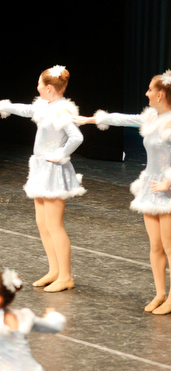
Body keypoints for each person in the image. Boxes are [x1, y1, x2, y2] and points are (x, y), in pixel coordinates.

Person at [73, 69, 171, 314]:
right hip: (150, 187)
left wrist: (169, 183)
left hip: (167, 189)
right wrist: (91, 120)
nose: (146, 93)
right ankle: (160, 293)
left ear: (160, 94)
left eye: (150, 89)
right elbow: (122, 118)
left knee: (170, 247)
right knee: (155, 245)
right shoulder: (151, 118)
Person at [0, 66, 84, 292]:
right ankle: (54, 270)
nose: (37, 87)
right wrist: (2, 106)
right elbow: (27, 109)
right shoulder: (46, 106)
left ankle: (66, 276)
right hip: (40, 169)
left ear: (49, 88)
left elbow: (76, 136)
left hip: (53, 171)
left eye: (39, 83)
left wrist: (60, 153)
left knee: (54, 225)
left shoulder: (62, 111)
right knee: (42, 223)